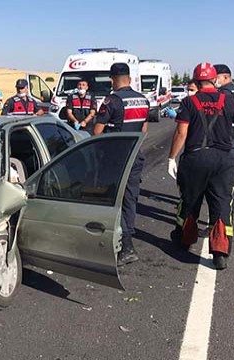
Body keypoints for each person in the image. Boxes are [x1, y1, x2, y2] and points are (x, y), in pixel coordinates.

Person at [166, 62, 234, 270]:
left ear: (195, 81)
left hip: (195, 158)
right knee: (221, 203)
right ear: (214, 79)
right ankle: (220, 251)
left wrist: (171, 157)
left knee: (189, 201)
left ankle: (184, 240)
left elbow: (181, 133)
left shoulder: (189, 102)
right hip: (223, 158)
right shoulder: (228, 100)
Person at [93, 63, 150, 266]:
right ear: (130, 79)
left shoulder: (112, 100)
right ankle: (127, 240)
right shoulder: (143, 100)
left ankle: (125, 245)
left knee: (114, 199)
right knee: (130, 199)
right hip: (135, 155)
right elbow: (144, 129)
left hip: (115, 157)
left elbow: (97, 132)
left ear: (112, 79)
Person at [214, 64, 234, 225]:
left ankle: (223, 222)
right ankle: (224, 219)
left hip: (227, 141)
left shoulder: (224, 95)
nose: (214, 80)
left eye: (216, 77)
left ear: (225, 77)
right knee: (228, 182)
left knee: (224, 184)